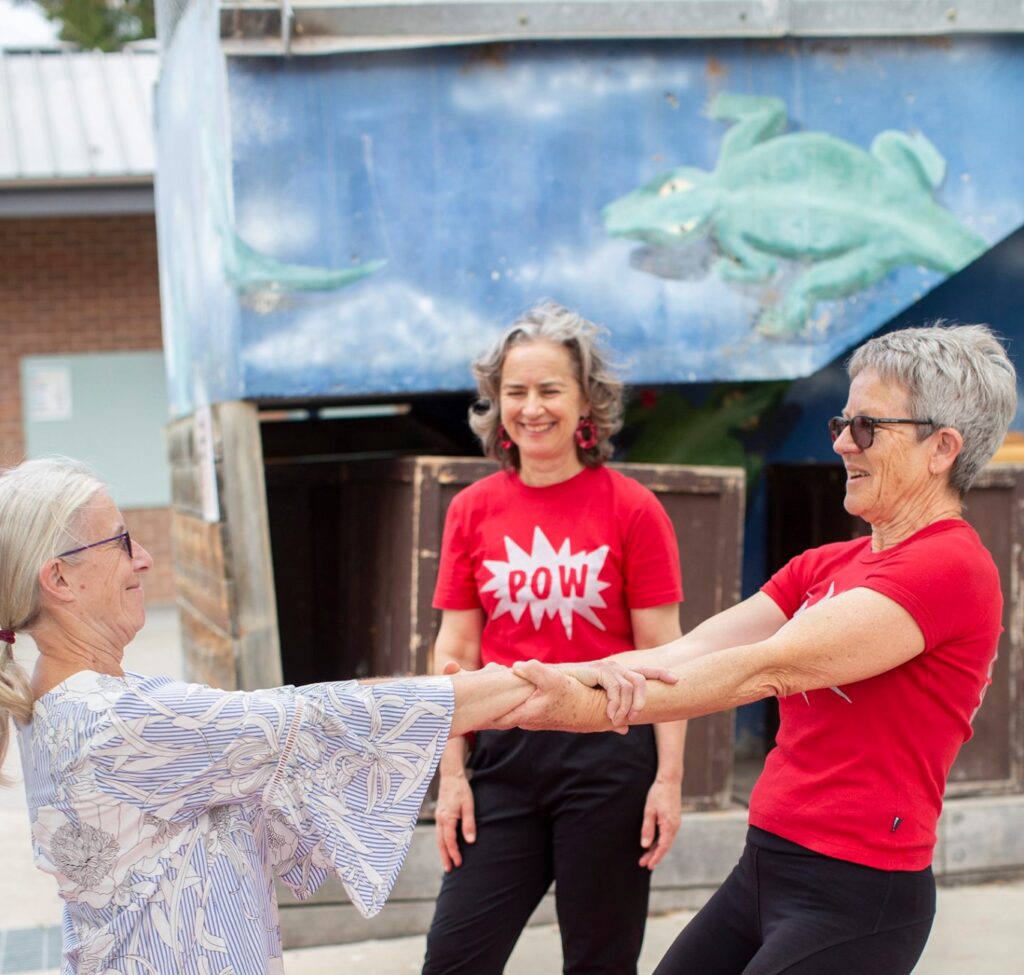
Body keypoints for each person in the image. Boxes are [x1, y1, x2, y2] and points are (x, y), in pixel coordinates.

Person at [0, 457, 661, 975]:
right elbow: (327, 719)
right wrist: (550, 678)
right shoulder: (120, 718)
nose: (142, 557)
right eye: (121, 541)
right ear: (58, 579)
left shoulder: (61, 699)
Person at [504, 323, 1018, 974]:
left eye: (865, 427)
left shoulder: (951, 568)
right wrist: (520, 685)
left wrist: (571, 706)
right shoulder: (827, 563)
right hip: (765, 864)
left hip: (857, 895)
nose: (839, 442)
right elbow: (687, 652)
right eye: (841, 420)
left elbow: (763, 668)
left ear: (942, 446)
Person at [422, 302, 688, 975]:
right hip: (503, 760)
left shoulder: (634, 508)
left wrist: (668, 776)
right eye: (515, 391)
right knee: (455, 958)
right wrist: (452, 775)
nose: (531, 407)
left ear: (585, 404)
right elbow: (453, 651)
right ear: (496, 403)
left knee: (600, 963)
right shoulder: (471, 509)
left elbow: (668, 655)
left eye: (549, 390)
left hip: (608, 755)